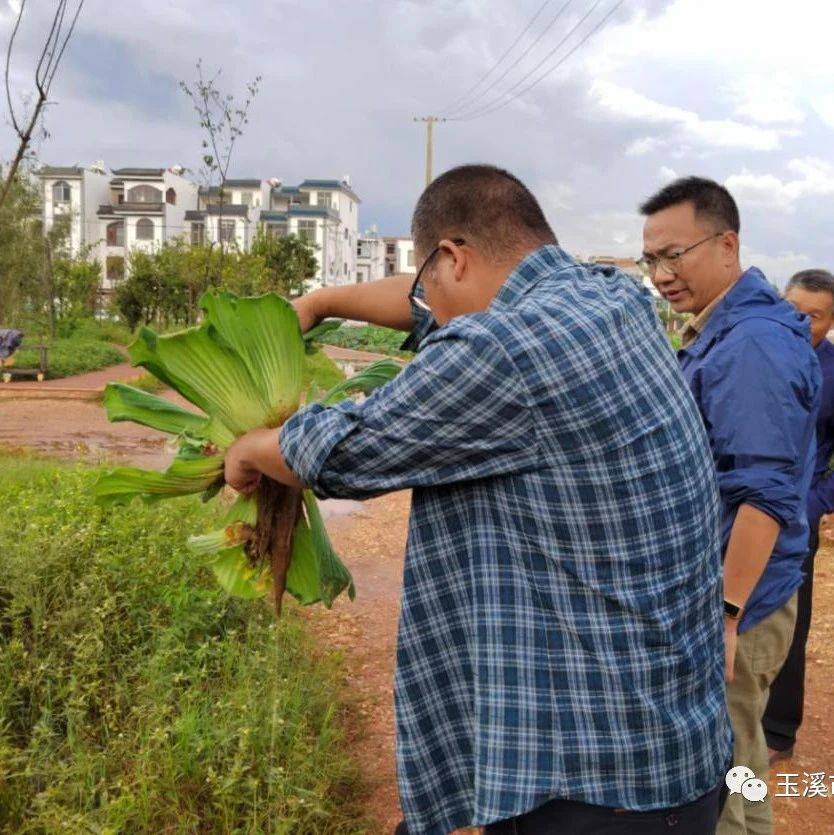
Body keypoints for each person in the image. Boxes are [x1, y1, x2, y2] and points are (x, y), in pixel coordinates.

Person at [226, 165, 732, 834]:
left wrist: (252, 449)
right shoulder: (611, 296)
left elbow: (347, 448)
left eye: (431, 285)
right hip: (671, 745)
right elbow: (420, 302)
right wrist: (320, 302)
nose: (430, 314)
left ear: (455, 258)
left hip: (599, 786)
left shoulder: (506, 348)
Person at [639, 177, 820, 835]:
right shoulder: (723, 331)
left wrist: (724, 616)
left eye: (674, 255)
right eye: (651, 260)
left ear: (727, 242)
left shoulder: (751, 346)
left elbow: (764, 496)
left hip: (741, 601)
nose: (662, 274)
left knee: (730, 789)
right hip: (729, 591)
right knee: (731, 768)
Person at [763, 269, 834, 764]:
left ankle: (778, 728)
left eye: (814, 316)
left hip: (796, 514)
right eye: (793, 310)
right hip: (743, 504)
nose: (801, 322)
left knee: (791, 615)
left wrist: (815, 504)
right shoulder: (759, 353)